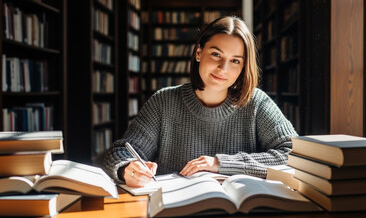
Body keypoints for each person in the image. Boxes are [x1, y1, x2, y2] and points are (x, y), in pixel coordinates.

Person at [103, 16, 297, 187]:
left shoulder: (257, 103)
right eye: (216, 54)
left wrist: (221, 164)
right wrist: (127, 168)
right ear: (198, 53)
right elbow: (120, 152)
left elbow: (294, 154)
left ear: (244, 66)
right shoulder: (164, 102)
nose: (223, 68)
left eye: (235, 61)